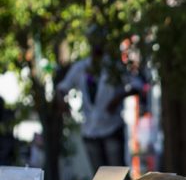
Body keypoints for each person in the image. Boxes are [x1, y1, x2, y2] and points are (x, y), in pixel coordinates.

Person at [56, 37, 138, 171]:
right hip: (90, 130)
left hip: (111, 127)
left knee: (117, 174)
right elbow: (62, 88)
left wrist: (118, 97)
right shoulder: (81, 67)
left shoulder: (114, 66)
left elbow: (137, 85)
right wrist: (62, 102)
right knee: (99, 177)